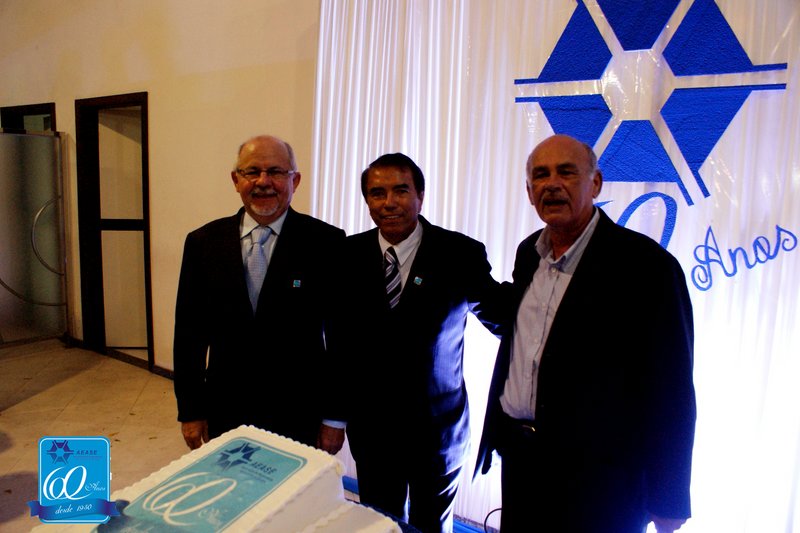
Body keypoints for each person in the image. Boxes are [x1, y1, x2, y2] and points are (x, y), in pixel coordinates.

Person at [476, 134, 696, 533]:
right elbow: (531, 336)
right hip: (522, 461)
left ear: (595, 183)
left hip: (601, 481)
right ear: (528, 191)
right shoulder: (529, 254)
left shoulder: (647, 268)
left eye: (566, 172)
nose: (551, 184)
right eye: (540, 175)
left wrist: (668, 497)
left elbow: (672, 390)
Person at [335, 153, 504, 533]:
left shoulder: (459, 253)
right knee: (380, 524)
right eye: (377, 193)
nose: (389, 202)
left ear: (420, 196)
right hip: (374, 432)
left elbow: (502, 317)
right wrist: (335, 416)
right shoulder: (347, 256)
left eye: (401, 191)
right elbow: (340, 345)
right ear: (367, 201)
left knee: (431, 527)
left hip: (438, 433)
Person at [173, 134, 346, 453]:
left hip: (299, 411)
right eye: (252, 171)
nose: (264, 182)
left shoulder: (327, 243)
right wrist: (191, 409)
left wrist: (334, 418)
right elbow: (189, 335)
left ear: (295, 180)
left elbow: (341, 339)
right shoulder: (202, 243)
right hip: (226, 408)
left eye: (276, 172)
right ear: (235, 180)